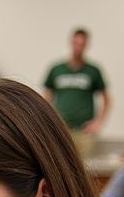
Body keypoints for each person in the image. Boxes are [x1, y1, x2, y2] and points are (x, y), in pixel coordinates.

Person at [43, 28, 110, 157]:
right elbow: (46, 97)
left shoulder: (93, 70)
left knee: (84, 167)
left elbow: (107, 99)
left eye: (82, 44)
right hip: (61, 129)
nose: (78, 47)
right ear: (70, 43)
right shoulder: (57, 69)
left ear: (86, 46)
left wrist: (98, 122)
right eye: (75, 43)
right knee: (60, 162)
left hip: (84, 132)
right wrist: (48, 121)